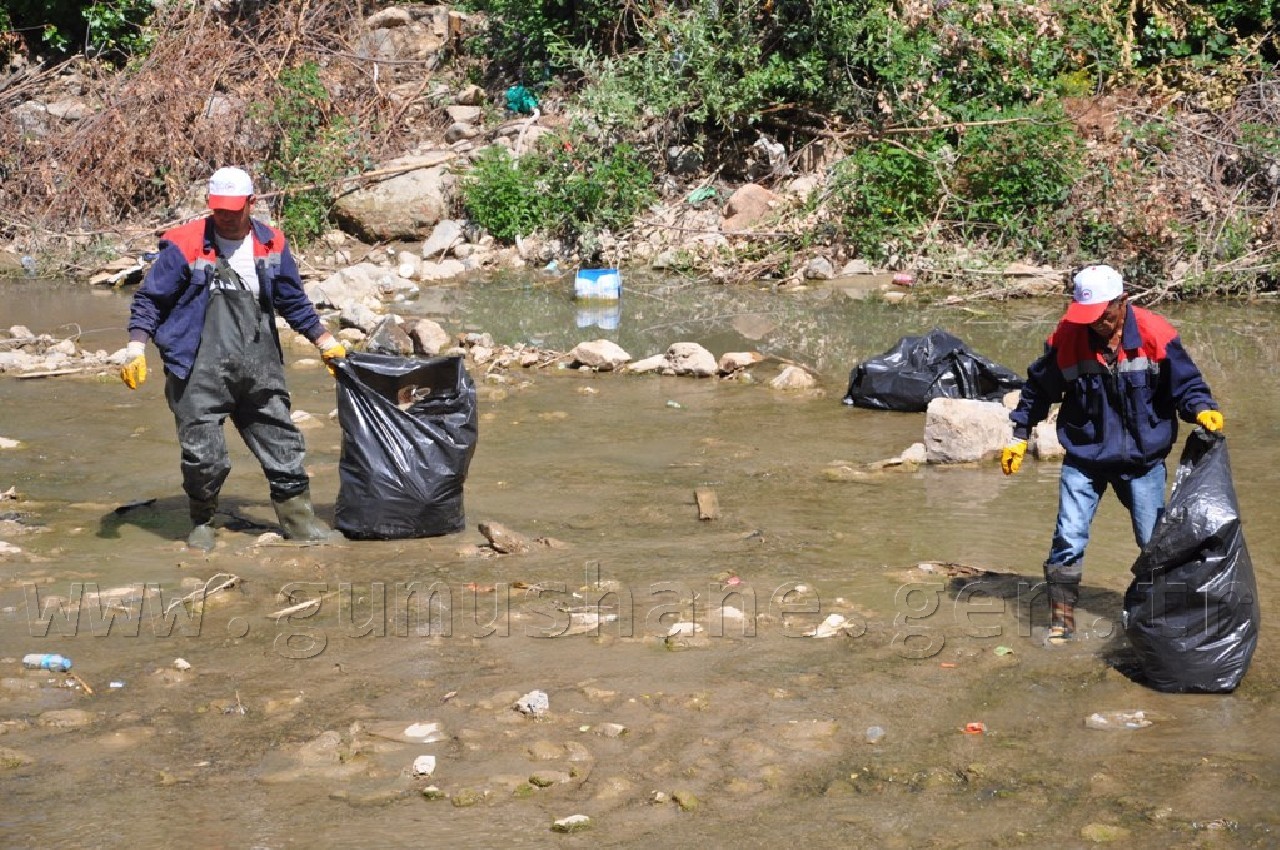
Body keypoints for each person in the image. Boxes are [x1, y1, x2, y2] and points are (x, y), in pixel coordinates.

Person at [120, 166, 347, 551]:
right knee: (204, 457)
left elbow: (292, 300)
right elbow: (150, 299)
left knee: (284, 446)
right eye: (217, 208)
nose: (224, 215)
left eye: (233, 208)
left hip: (259, 368)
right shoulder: (183, 244)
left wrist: (324, 340)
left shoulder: (272, 243)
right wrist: (135, 346)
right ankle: (203, 521)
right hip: (196, 370)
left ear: (251, 203)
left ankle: (300, 522)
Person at [1000, 264, 1224, 644]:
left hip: (1143, 462)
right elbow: (1039, 389)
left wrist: (1202, 408)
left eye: (1103, 314)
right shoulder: (1068, 338)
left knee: (1154, 542)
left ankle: (1158, 617)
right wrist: (1020, 433)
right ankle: (1062, 621)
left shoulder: (1156, 334)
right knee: (1068, 538)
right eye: (1088, 316)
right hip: (1084, 459)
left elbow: (1187, 385)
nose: (1096, 324)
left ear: (1123, 302)